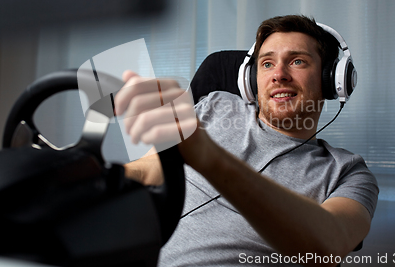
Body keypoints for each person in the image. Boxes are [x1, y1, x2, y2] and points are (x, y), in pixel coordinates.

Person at [115, 15, 379, 266]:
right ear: (250, 80)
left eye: (297, 61)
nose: (279, 74)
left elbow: (329, 246)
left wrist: (210, 158)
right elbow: (150, 168)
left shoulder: (347, 172)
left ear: (331, 79)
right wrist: (93, 175)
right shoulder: (214, 105)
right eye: (267, 63)